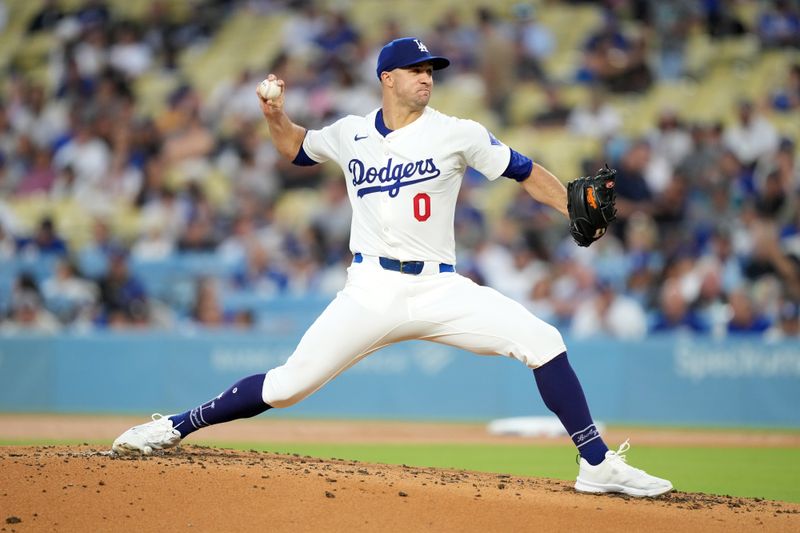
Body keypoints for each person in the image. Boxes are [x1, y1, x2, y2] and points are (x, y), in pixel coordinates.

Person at [112, 37, 672, 498]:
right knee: (287, 386)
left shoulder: (458, 132)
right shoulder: (350, 133)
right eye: (415, 70)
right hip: (371, 288)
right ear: (387, 78)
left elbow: (524, 171)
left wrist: (569, 204)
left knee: (542, 339)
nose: (427, 78)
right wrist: (274, 115)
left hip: (438, 286)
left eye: (431, 70)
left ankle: (595, 463)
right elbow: (295, 149)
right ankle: (172, 426)